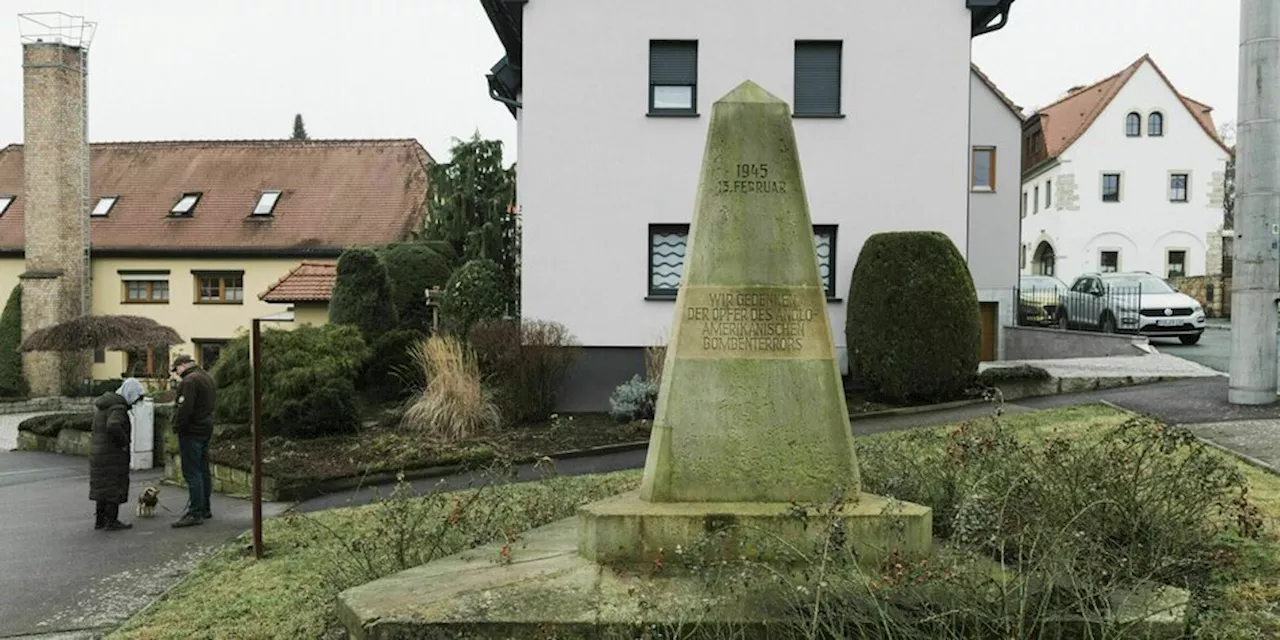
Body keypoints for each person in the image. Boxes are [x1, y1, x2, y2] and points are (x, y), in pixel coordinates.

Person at [91, 378, 144, 531]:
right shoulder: (118, 408)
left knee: (103, 487)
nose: (134, 403)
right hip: (112, 454)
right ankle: (111, 521)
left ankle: (100, 520)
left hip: (99, 453)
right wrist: (124, 443)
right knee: (114, 486)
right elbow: (113, 425)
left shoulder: (104, 406)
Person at [171, 354, 216, 528]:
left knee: (192, 471)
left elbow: (185, 408)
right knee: (203, 469)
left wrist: (177, 426)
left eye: (176, 370)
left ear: (182, 365)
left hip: (191, 430)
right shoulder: (206, 377)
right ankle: (205, 507)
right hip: (206, 427)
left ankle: (195, 512)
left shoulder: (189, 381)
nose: (176, 374)